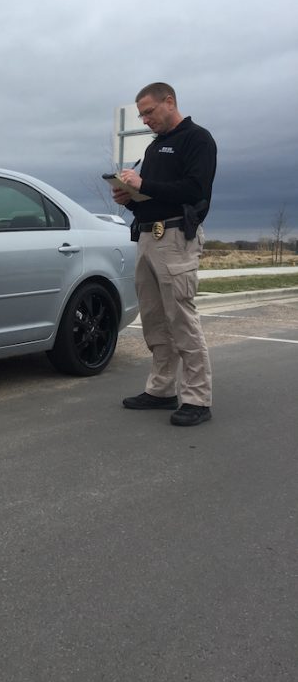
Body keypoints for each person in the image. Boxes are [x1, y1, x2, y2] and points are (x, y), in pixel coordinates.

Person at [112, 82, 217, 426]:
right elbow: (158, 193)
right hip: (146, 236)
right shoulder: (156, 147)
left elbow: (195, 191)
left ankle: (197, 398)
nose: (144, 120)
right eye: (141, 114)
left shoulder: (197, 139)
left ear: (168, 102)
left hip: (175, 238)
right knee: (155, 320)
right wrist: (130, 197)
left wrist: (144, 185)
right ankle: (161, 389)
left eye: (149, 111)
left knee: (181, 319)